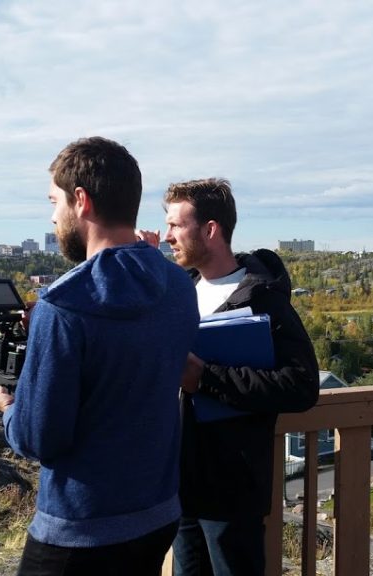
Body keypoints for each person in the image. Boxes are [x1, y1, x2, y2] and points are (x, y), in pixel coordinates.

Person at [0, 136, 199, 576]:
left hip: (79, 527)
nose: (53, 215)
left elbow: (39, 439)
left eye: (54, 202)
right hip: (157, 514)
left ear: (81, 200)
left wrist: (8, 407)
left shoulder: (63, 305)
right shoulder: (177, 286)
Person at [145, 177, 319, 576]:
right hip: (179, 485)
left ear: (210, 230)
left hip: (231, 492)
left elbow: (302, 385)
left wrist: (205, 377)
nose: (167, 235)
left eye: (176, 225)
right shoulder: (180, 291)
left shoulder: (262, 298)